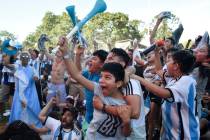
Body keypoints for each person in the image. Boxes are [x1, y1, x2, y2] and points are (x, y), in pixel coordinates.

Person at [58, 36, 132, 139]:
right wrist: (65, 53)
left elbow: (126, 133)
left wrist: (127, 122)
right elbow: (76, 75)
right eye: (101, 76)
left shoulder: (127, 102)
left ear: (118, 83)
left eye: (107, 77)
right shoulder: (99, 89)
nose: (101, 80)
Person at [131, 50, 199, 139]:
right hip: (171, 132)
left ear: (176, 66)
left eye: (169, 61)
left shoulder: (187, 81)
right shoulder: (174, 78)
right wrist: (156, 51)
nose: (166, 64)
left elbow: (163, 93)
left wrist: (138, 78)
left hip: (185, 135)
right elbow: (158, 70)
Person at [5, 52, 42, 128]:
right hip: (19, 94)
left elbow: (37, 78)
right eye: (23, 57)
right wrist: (9, 52)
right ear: (20, 59)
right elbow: (6, 64)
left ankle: (30, 126)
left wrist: (36, 79)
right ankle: (18, 126)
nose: (25, 59)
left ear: (29, 59)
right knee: (18, 110)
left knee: (32, 111)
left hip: (31, 94)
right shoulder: (16, 67)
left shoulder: (32, 69)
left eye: (26, 57)